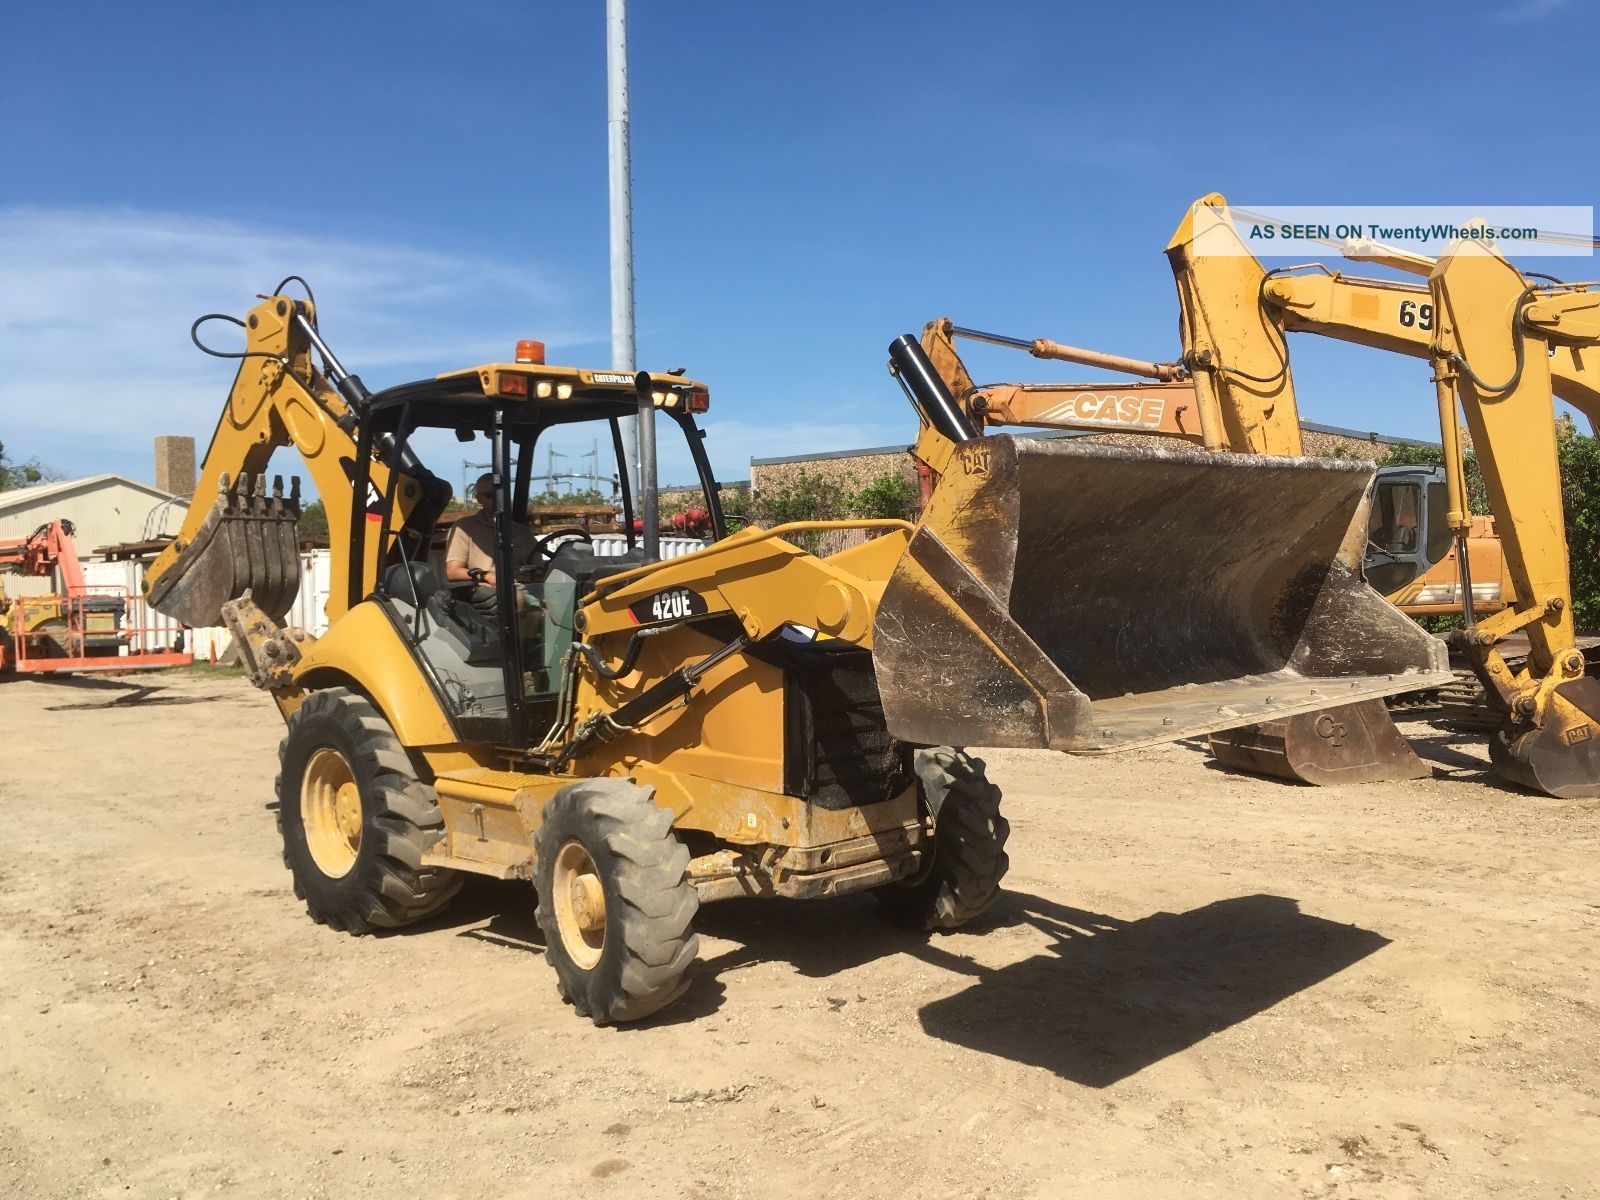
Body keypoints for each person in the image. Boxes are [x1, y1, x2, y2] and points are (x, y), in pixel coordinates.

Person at [445, 473, 537, 613]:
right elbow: (452, 571)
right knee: (517, 599)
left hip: (526, 588)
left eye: (501, 494)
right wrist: (486, 576)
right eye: (490, 495)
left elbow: (538, 568)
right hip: (490, 592)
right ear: (479, 499)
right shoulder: (464, 528)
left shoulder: (522, 531)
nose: (497, 499)